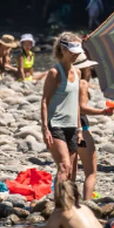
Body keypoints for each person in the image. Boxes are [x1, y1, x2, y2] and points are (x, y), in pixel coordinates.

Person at [41, 32, 83, 186]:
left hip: (72, 126)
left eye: (77, 53)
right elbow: (45, 100)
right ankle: (59, 206)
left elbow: (76, 103)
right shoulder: (55, 73)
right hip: (56, 125)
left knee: (72, 172)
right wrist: (45, 128)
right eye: (72, 53)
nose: (75, 56)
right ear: (63, 50)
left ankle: (68, 205)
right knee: (64, 166)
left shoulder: (78, 72)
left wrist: (79, 129)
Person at [75, 54, 114, 200]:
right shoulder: (82, 83)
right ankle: (87, 205)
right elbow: (82, 108)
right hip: (81, 129)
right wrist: (104, 112)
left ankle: (66, 206)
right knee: (91, 173)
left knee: (69, 172)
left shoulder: (60, 81)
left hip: (62, 129)